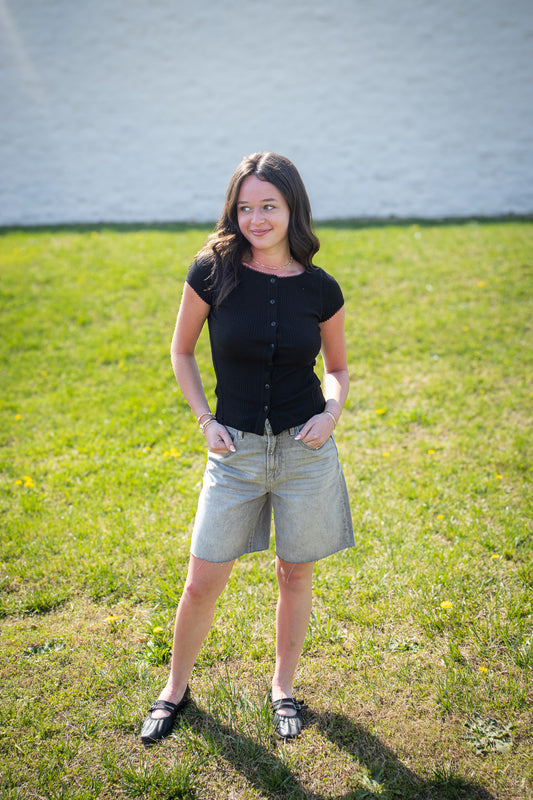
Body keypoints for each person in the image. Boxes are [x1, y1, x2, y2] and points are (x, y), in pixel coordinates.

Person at [140, 152, 354, 745]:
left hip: (303, 450)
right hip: (232, 450)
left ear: (293, 210)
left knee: (294, 573)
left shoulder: (320, 287)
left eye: (270, 206)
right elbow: (181, 351)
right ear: (233, 211)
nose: (257, 218)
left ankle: (283, 687)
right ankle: (174, 690)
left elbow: (336, 368)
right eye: (246, 206)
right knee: (203, 577)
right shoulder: (212, 272)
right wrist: (205, 419)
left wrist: (332, 412)